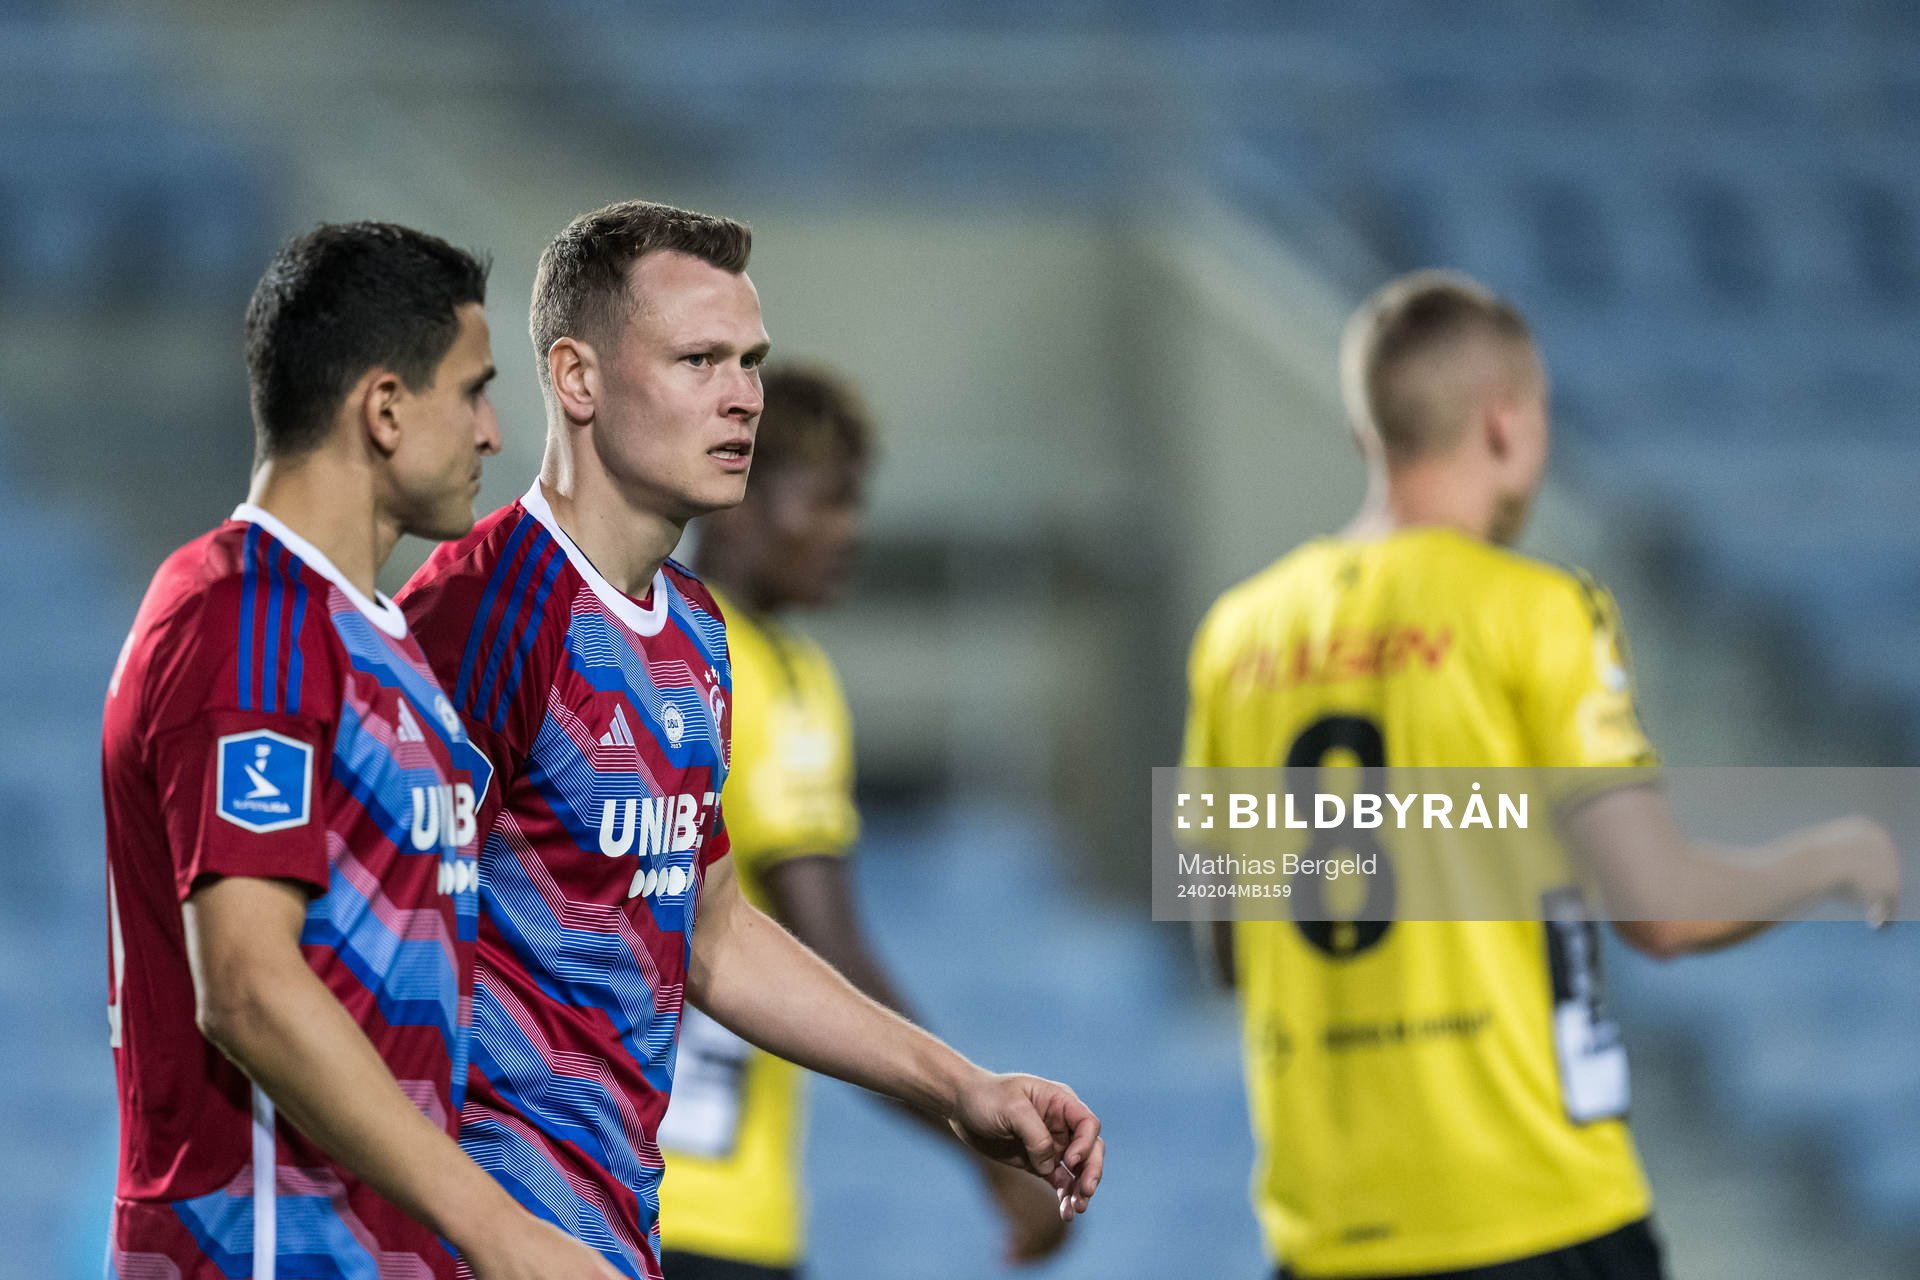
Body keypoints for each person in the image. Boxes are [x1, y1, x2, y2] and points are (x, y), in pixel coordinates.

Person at [398, 200, 1103, 1280]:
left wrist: (960, 1086)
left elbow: (717, 930)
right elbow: (368, 948)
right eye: (697, 359)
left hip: (620, 1236)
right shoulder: (485, 613)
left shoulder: (697, 638)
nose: (742, 397)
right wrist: (482, 1227)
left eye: (750, 361)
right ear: (577, 380)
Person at [1181, 270, 1900, 1280]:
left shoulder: (1236, 635)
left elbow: (1227, 948)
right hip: (1531, 1214)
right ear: (1507, 423)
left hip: (1328, 1233)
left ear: (1367, 435)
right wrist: (1839, 850)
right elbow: (1664, 913)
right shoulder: (1535, 609)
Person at [102, 223, 623, 1279]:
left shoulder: (368, 636)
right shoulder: (246, 623)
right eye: (473, 390)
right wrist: (499, 1228)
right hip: (259, 1251)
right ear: (385, 409)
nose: (491, 431)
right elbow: (248, 984)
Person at [653, 365, 1068, 1277]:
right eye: (826, 503)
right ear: (737, 496)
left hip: (590, 1196)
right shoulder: (772, 676)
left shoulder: (633, 644)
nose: (850, 533)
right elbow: (827, 940)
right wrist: (979, 1136)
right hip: (706, 1212)